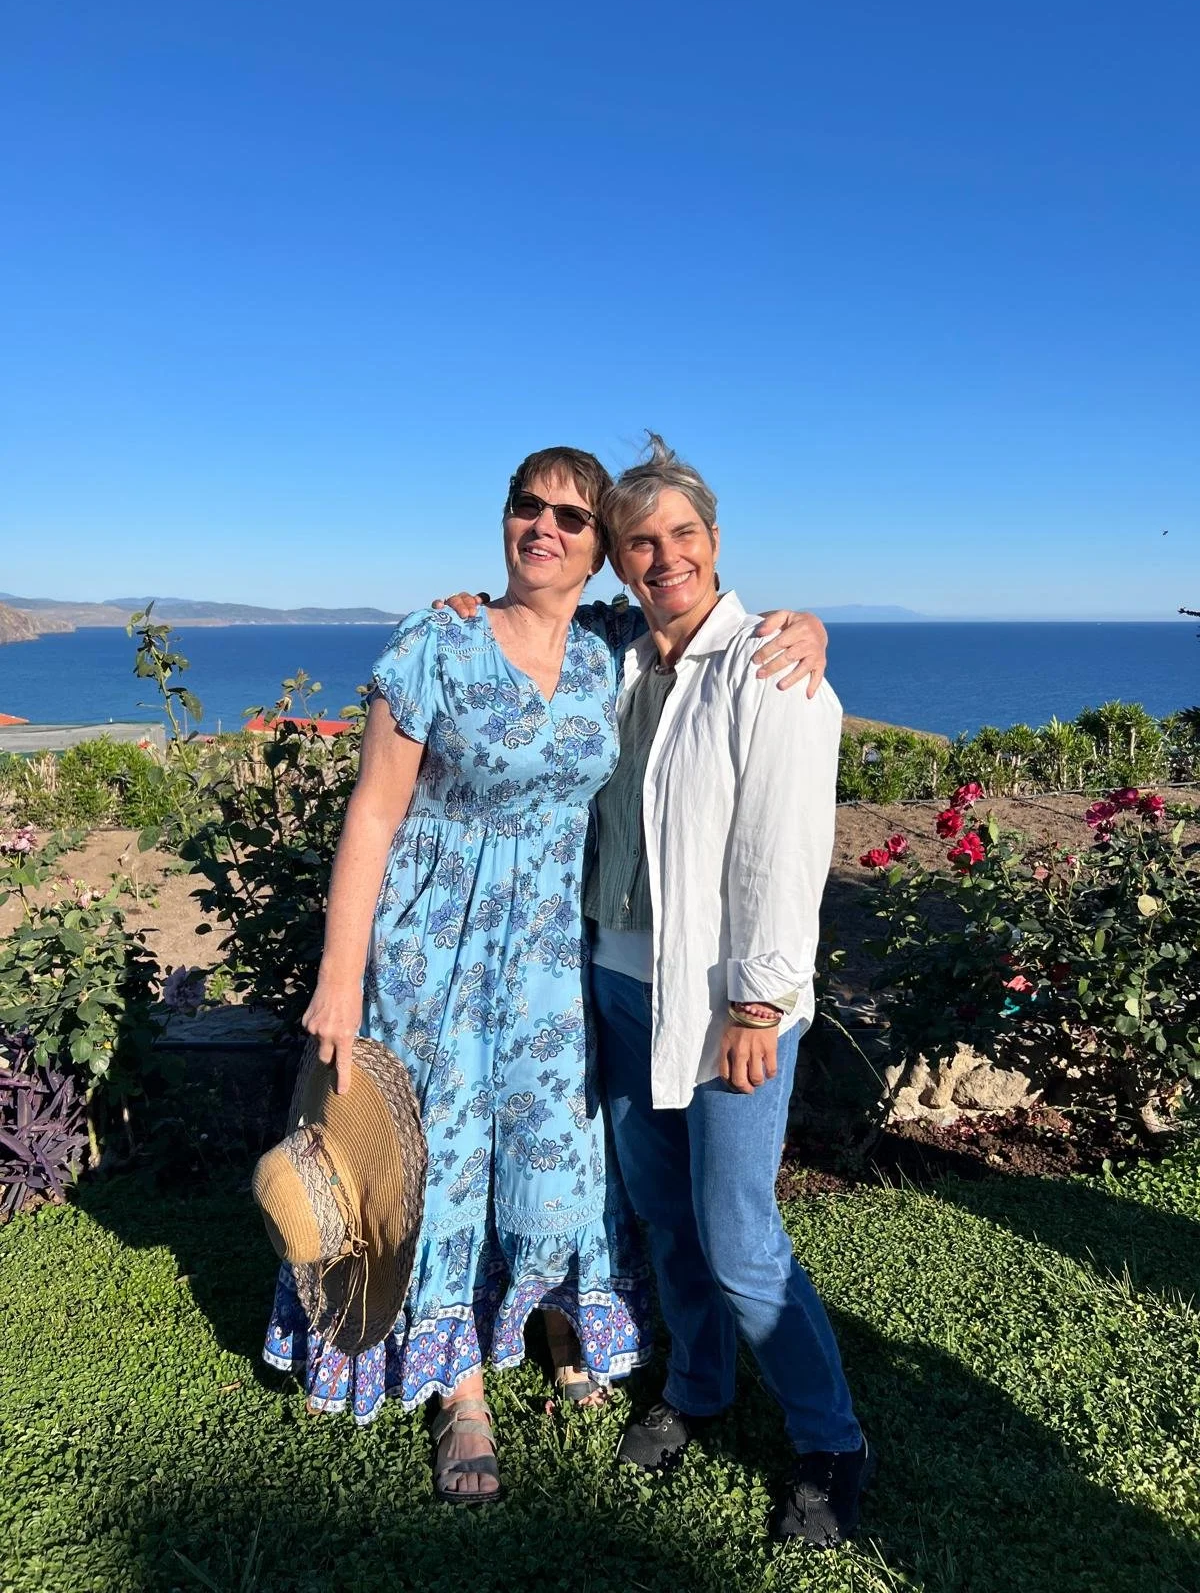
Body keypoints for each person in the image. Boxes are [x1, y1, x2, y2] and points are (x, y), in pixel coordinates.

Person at [262, 444, 829, 1505]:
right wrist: (340, 977)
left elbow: (706, 638)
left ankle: (556, 1314)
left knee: (558, 1148)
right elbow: (374, 812)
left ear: (599, 556)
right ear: (505, 517)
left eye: (575, 519)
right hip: (432, 949)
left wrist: (802, 626)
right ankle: (462, 1391)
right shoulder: (439, 640)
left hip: (551, 961)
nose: (548, 529)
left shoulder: (609, 646)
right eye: (531, 507)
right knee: (446, 1154)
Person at [585, 436, 871, 1549]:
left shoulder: (772, 666)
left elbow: (786, 849)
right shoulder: (614, 656)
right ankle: (698, 1389)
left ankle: (830, 1440)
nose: (664, 558)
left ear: (714, 542)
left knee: (739, 1229)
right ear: (618, 562)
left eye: (683, 537)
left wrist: (759, 1003)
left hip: (721, 1002)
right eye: (641, 542)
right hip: (614, 982)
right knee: (661, 1210)